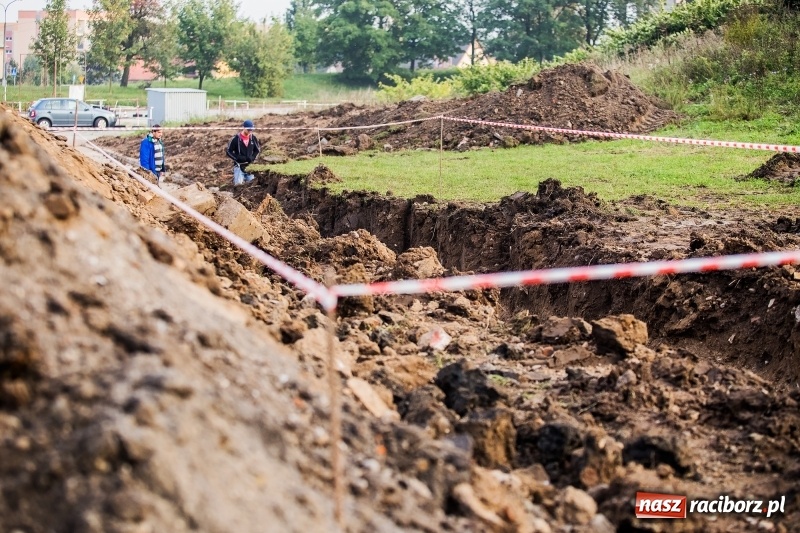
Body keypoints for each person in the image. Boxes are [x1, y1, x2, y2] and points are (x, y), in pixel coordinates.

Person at [226, 119, 261, 186]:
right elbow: (228, 151)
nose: (250, 131)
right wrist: (237, 158)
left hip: (250, 166)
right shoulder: (235, 139)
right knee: (238, 185)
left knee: (252, 186)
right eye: (248, 130)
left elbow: (257, 150)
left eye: (251, 130)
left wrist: (252, 157)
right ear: (244, 128)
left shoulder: (253, 138)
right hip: (239, 166)